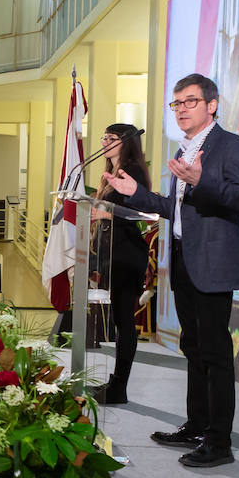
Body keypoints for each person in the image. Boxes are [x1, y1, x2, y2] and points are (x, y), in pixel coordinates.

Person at [103, 73, 239, 469]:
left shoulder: (230, 145)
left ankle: (219, 442)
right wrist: (138, 194)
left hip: (213, 262)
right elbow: (172, 209)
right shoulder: (184, 150)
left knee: (216, 353)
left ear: (211, 104)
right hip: (183, 258)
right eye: (177, 104)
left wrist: (202, 181)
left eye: (190, 101)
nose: (182, 109)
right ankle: (196, 424)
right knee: (192, 347)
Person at [87, 124, 152, 406]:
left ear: (126, 143)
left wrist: (104, 214)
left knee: (124, 321)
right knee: (118, 320)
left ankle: (120, 387)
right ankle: (115, 382)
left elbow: (138, 212)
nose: (105, 143)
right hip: (112, 255)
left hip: (127, 254)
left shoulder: (132, 172)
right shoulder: (109, 175)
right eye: (104, 138)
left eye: (111, 139)